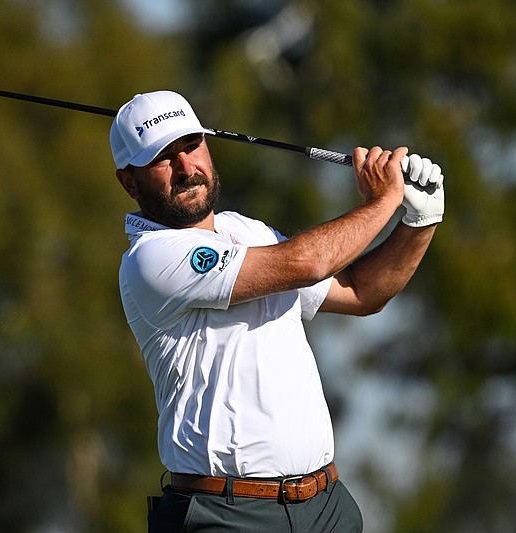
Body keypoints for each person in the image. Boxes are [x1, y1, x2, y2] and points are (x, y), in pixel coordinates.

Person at [109, 90, 444, 532]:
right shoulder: (150, 259)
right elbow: (308, 263)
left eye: (191, 146)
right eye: (163, 159)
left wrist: (418, 222)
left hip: (326, 507)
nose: (187, 168)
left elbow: (362, 292)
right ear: (129, 182)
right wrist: (382, 201)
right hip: (226, 515)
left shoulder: (249, 231)